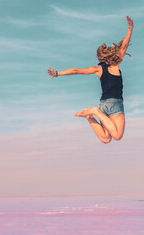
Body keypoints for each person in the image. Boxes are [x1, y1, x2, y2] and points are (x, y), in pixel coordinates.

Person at [47, 16, 133, 144]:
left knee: (105, 138)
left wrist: (58, 73)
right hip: (115, 104)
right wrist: (130, 28)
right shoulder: (115, 65)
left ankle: (89, 116)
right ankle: (95, 112)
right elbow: (124, 46)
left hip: (104, 104)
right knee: (117, 135)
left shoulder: (98, 69)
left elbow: (77, 70)